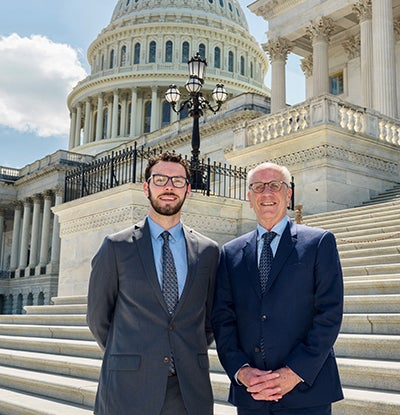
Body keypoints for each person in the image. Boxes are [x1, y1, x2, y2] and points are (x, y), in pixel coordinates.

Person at [87, 151, 220, 415]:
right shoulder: (116, 247)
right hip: (128, 387)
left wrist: (178, 350)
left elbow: (210, 319)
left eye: (178, 181)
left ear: (188, 190)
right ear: (146, 187)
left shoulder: (208, 251)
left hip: (188, 391)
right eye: (160, 179)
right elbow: (98, 318)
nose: (169, 187)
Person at [211, 161, 344, 415]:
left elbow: (329, 314)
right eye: (258, 187)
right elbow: (222, 319)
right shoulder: (231, 252)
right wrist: (241, 371)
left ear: (288, 194)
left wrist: (294, 373)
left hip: (307, 391)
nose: (267, 193)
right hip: (252, 394)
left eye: (275, 185)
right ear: (249, 198)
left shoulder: (318, 243)